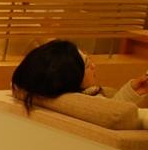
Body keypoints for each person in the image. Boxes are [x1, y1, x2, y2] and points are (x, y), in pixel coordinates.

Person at [11, 39, 148, 127]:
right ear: (71, 77)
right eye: (87, 65)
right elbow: (117, 116)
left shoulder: (38, 91)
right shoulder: (90, 101)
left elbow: (109, 112)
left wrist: (133, 92)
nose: (94, 66)